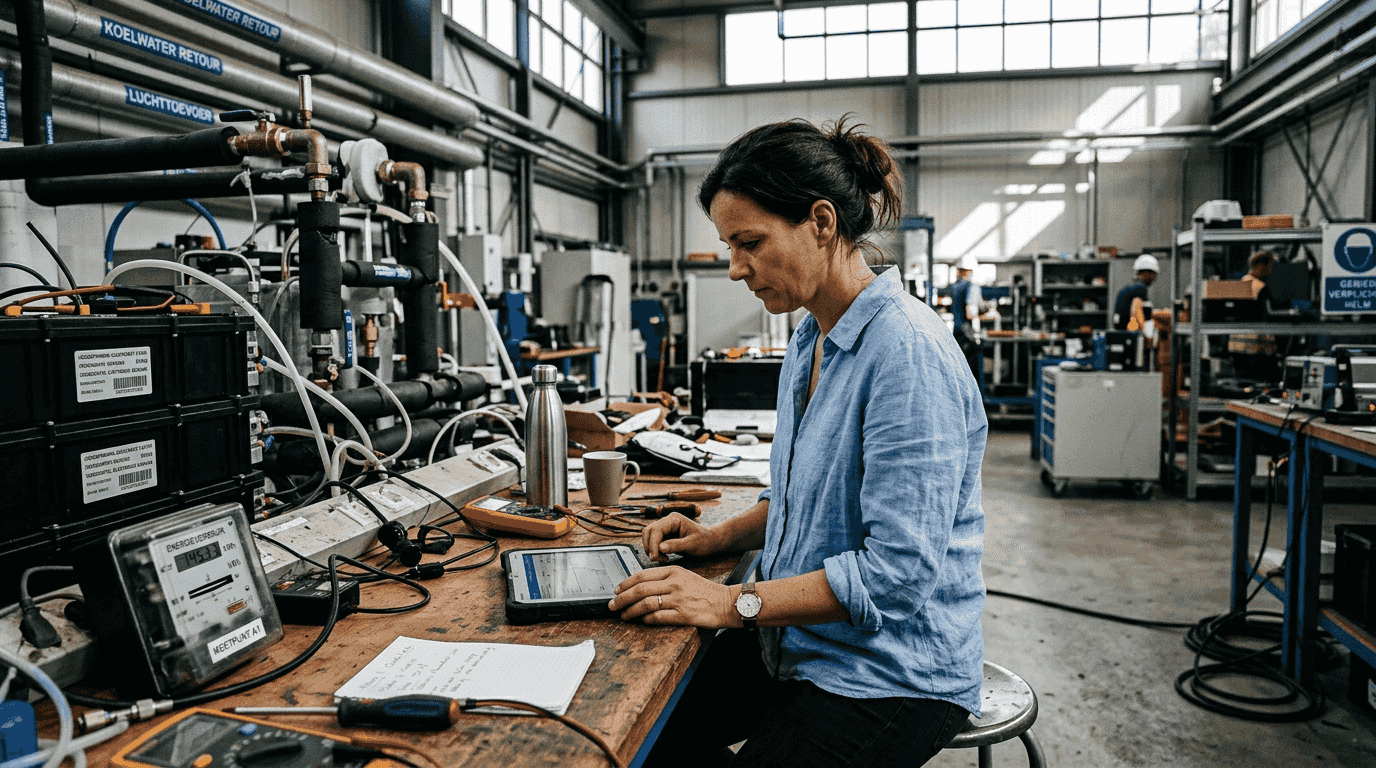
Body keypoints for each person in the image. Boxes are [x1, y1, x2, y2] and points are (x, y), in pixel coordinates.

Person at [607, 117, 987, 768]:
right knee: (630, 734)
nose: (734, 269)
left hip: (890, 675)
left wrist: (730, 601)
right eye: (730, 246)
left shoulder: (907, 356)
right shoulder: (812, 339)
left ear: (820, 222)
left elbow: (895, 579)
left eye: (748, 242)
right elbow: (801, 498)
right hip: (800, 643)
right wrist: (714, 540)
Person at [1228, 250, 1278, 381]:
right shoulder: (1260, 287)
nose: (1270, 271)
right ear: (1260, 265)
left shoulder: (1240, 284)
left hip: (1237, 344)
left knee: (1242, 382)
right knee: (1259, 382)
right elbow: (1269, 313)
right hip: (1257, 346)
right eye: (1269, 267)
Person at [1112, 253, 1159, 330]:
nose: (1154, 278)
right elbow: (1136, 311)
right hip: (1129, 332)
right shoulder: (1140, 288)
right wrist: (1146, 332)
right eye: (1154, 274)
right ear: (1147, 273)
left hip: (1120, 329)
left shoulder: (1130, 287)